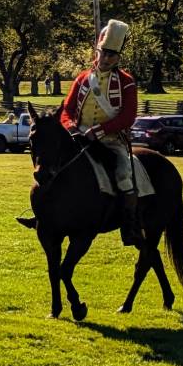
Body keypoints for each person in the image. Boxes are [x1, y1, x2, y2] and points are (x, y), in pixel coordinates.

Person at [59, 19, 142, 247]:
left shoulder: (126, 82)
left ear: (118, 57)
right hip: (79, 138)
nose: (105, 59)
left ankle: (130, 225)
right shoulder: (82, 79)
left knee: (124, 174)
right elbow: (66, 110)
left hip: (111, 140)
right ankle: (46, 216)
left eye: (111, 55)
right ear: (97, 51)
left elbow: (128, 116)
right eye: (103, 53)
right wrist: (72, 128)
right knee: (53, 168)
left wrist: (100, 130)